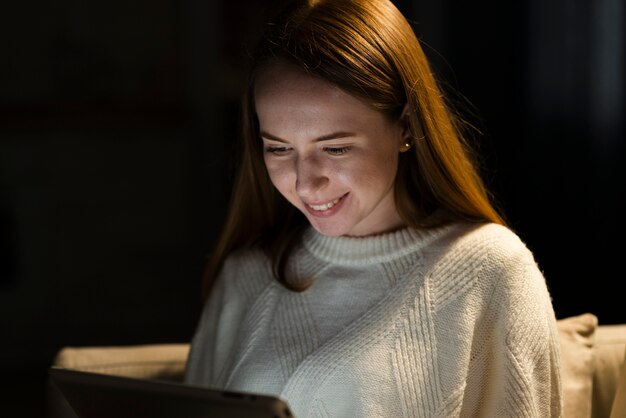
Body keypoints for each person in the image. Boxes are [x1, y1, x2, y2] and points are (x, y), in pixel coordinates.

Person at [184, 0, 563, 416]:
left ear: (405, 125)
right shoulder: (248, 274)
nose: (306, 181)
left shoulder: (489, 270)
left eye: (336, 147)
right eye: (278, 148)